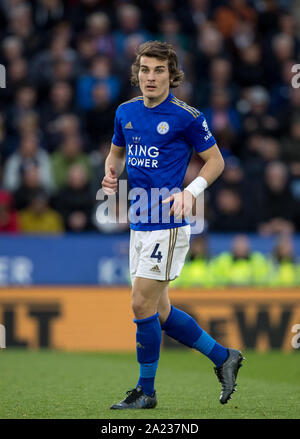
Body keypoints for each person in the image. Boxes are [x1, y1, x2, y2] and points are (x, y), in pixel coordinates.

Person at [101, 41, 244, 410]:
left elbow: (216, 161)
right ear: (137, 73)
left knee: (139, 304)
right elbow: (117, 152)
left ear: (171, 75)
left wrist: (191, 191)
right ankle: (224, 357)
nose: (151, 77)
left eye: (159, 70)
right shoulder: (125, 112)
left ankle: (146, 392)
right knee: (159, 312)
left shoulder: (186, 116)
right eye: (145, 70)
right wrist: (110, 174)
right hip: (138, 220)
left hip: (168, 221)